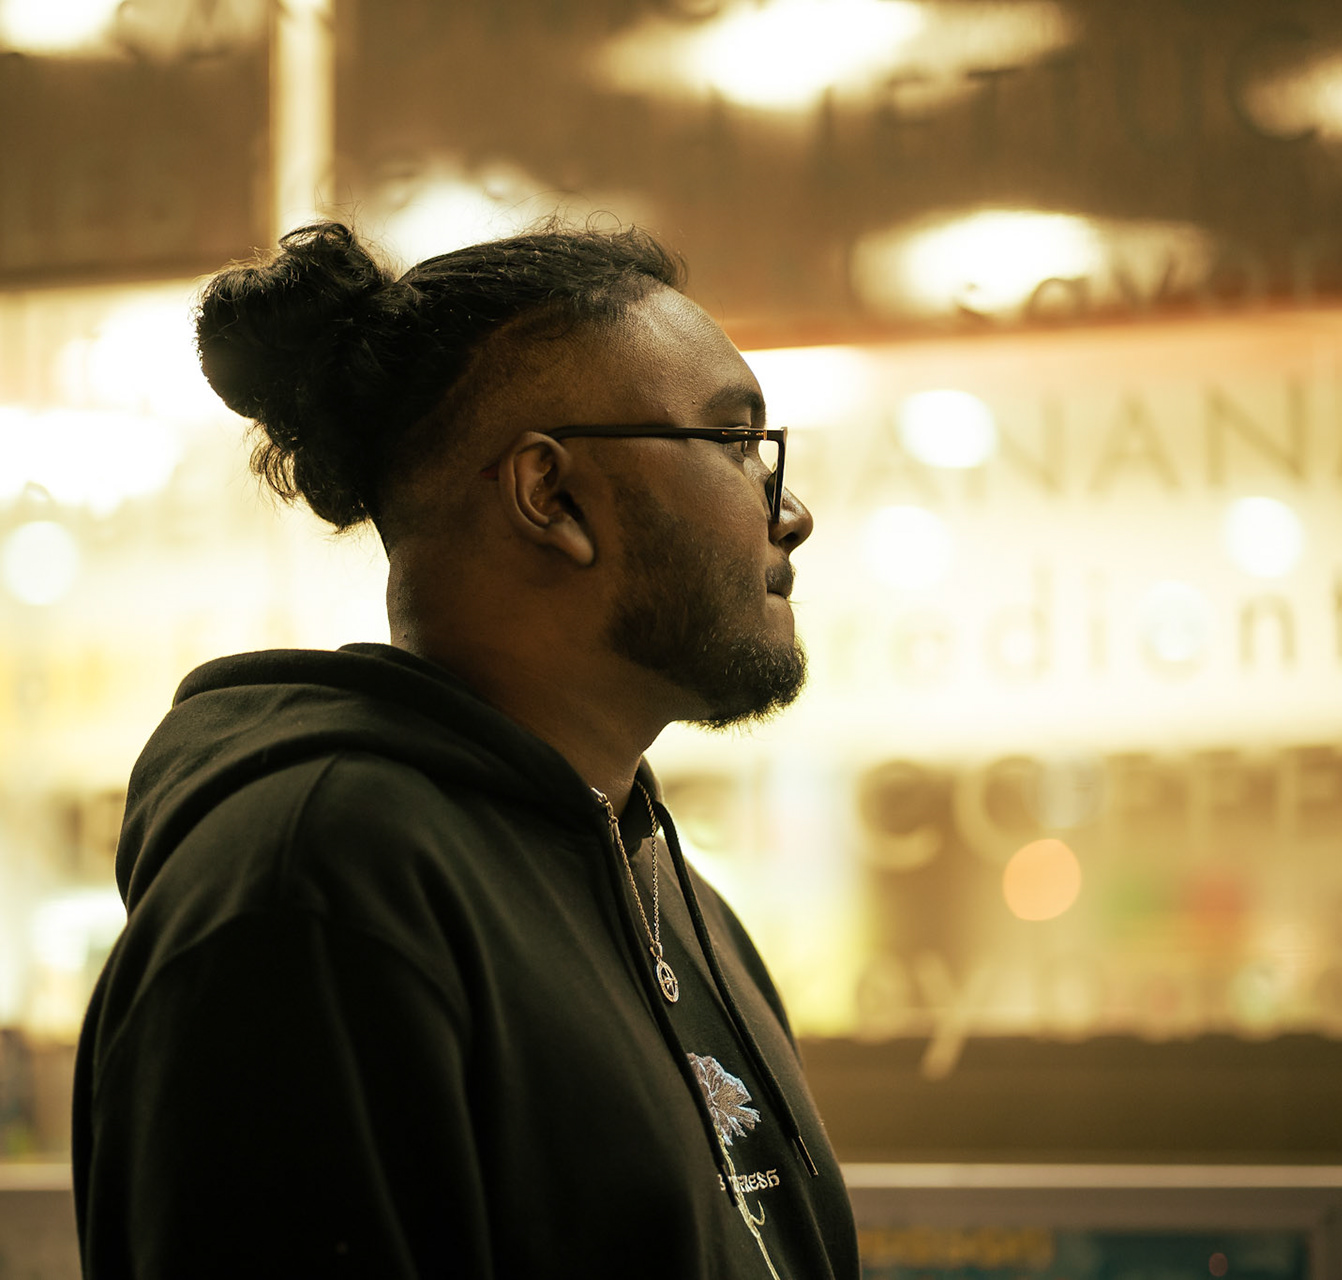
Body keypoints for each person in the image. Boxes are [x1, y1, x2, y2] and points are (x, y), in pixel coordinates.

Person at [71, 220, 855, 1278]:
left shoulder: (670, 894)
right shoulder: (310, 891)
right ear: (551, 496)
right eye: (732, 442)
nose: (789, 512)